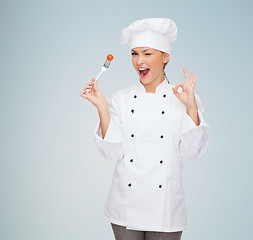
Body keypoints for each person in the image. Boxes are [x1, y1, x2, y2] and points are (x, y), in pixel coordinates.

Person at [81, 18, 210, 240]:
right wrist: (101, 106)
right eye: (134, 53)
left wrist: (191, 107)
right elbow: (111, 152)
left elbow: (193, 152)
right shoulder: (120, 99)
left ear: (165, 57)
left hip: (166, 209)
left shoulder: (184, 98)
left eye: (147, 53)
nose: (139, 61)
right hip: (125, 206)